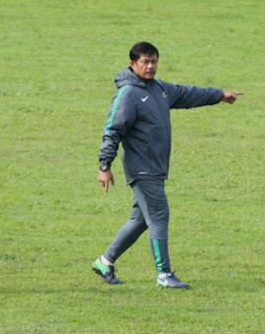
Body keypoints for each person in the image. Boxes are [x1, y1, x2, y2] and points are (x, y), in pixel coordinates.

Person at [92, 41, 241, 289]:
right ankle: (164, 274)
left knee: (141, 219)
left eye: (154, 61)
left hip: (156, 167)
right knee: (159, 216)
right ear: (133, 64)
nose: (150, 66)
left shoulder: (159, 89)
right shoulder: (128, 94)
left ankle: (104, 261)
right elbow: (112, 130)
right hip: (142, 168)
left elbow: (187, 94)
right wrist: (104, 166)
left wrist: (219, 95)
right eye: (145, 62)